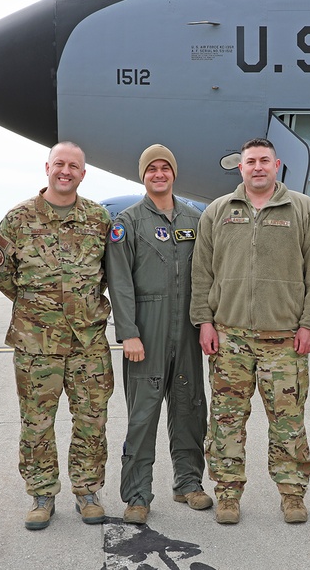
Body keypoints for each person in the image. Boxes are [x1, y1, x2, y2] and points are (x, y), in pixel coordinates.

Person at [190, 137, 310, 525]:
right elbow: (201, 272)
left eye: (264, 161)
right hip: (229, 337)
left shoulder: (303, 210)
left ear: (277, 165)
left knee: (287, 422)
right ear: (241, 167)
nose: (257, 167)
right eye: (250, 161)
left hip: (284, 339)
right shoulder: (218, 211)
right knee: (226, 420)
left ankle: (291, 495)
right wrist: (203, 320)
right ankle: (228, 494)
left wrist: (309, 324)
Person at [0, 142, 114, 530]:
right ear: (47, 167)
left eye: (73, 165)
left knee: (92, 419)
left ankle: (88, 490)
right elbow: (1, 275)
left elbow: (110, 273)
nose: (65, 171)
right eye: (59, 164)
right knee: (37, 422)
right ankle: (42, 493)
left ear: (83, 172)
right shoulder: (18, 218)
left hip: (88, 343)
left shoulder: (98, 218)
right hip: (36, 343)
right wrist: (39, 309)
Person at [106, 145, 211, 526]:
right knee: (142, 414)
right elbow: (119, 281)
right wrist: (128, 333)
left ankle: (188, 482)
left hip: (187, 326)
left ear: (174, 173)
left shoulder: (194, 218)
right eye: (152, 169)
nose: (159, 174)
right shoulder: (128, 221)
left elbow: (207, 274)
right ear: (143, 175)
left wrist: (207, 322)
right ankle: (136, 494)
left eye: (166, 168)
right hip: (145, 330)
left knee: (190, 407)